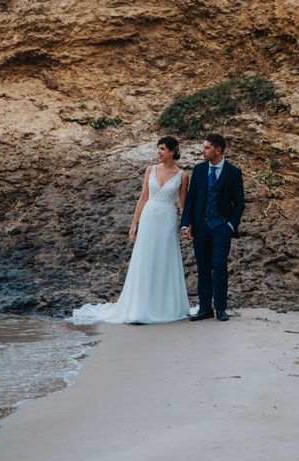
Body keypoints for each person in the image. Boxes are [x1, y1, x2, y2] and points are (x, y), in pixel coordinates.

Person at [71, 136, 190, 324]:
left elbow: (183, 205)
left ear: (172, 151)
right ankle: (139, 307)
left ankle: (165, 307)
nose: (158, 152)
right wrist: (134, 224)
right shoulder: (150, 170)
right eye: (157, 149)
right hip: (149, 218)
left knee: (164, 260)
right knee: (145, 259)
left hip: (167, 220)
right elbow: (143, 198)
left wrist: (186, 225)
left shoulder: (182, 175)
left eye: (162, 149)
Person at [180, 133, 245, 321]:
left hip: (221, 228)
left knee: (219, 265)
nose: (203, 150)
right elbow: (191, 199)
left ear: (218, 150)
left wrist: (231, 225)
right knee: (203, 267)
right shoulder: (199, 170)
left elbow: (239, 203)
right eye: (203, 147)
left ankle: (221, 308)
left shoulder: (233, 172)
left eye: (207, 147)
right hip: (201, 227)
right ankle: (205, 308)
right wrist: (186, 224)